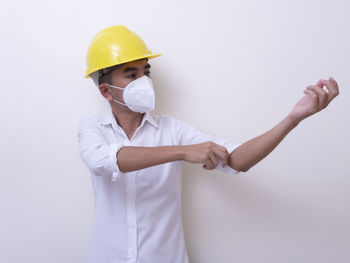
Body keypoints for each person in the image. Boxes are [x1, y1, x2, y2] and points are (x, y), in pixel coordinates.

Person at [77, 25, 339, 263]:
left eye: (146, 71)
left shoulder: (171, 129)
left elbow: (237, 159)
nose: (144, 81)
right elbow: (104, 160)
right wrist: (182, 151)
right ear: (106, 91)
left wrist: (293, 119)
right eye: (131, 74)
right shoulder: (93, 127)